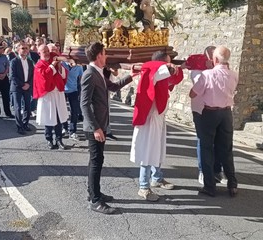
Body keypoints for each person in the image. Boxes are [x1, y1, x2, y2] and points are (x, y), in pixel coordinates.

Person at [80, 42, 138, 215]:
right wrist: (96, 128)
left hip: (100, 124)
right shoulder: (89, 74)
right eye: (104, 54)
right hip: (95, 127)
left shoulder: (97, 72)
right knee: (97, 162)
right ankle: (96, 201)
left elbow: (112, 87)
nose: (106, 57)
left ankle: (93, 193)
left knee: (95, 160)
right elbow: (84, 104)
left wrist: (131, 76)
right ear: (98, 56)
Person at [130, 51, 183, 201]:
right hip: (150, 118)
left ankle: (157, 178)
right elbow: (160, 70)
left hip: (158, 117)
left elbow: (172, 79)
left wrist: (181, 67)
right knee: (148, 151)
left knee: (157, 150)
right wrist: (168, 66)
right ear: (160, 63)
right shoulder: (152, 70)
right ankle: (143, 186)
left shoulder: (159, 73)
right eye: (168, 62)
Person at [189, 45, 238, 197]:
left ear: (215, 59)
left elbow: (193, 94)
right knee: (226, 148)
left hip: (209, 113)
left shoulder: (207, 75)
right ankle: (232, 183)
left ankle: (210, 186)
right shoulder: (234, 74)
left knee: (206, 148)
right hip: (226, 113)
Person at [182, 46, 227, 185]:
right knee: (204, 142)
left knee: (219, 141)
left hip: (217, 108)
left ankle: (217, 170)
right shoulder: (197, 69)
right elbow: (200, 87)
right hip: (200, 109)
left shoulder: (219, 70)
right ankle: (203, 172)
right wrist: (210, 69)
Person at [33, 44, 68, 150]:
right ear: (39, 53)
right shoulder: (39, 65)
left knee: (58, 118)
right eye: (44, 51)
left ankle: (59, 139)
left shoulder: (53, 61)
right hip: (47, 95)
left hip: (58, 94)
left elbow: (63, 75)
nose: (47, 53)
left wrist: (58, 65)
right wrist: (52, 65)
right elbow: (45, 76)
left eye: (48, 51)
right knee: (49, 118)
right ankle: (49, 139)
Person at [9, 43, 34, 135]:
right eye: (23, 48)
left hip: (27, 87)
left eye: (27, 48)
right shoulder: (14, 61)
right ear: (18, 50)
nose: (25, 50)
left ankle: (25, 124)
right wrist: (22, 84)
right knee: (18, 107)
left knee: (28, 106)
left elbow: (33, 75)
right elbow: (12, 76)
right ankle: (19, 127)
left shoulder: (30, 61)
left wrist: (28, 84)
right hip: (17, 87)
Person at [62, 59, 83, 141]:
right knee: (62, 110)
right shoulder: (63, 64)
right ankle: (64, 128)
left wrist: (80, 89)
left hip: (73, 90)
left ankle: (73, 131)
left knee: (74, 111)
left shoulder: (79, 67)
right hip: (62, 91)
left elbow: (81, 78)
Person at [103, 66, 119, 141]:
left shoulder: (111, 62)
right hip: (98, 86)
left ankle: (107, 131)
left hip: (107, 87)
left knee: (107, 109)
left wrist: (112, 69)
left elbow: (116, 73)